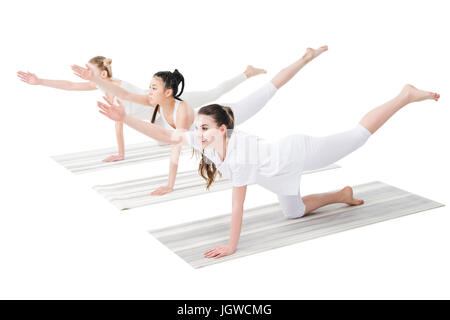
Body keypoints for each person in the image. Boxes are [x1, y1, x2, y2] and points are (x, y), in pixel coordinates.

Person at [98, 46, 438, 260]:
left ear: (220, 130)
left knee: (357, 136)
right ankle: (342, 194)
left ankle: (404, 96)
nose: (196, 134)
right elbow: (165, 133)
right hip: (277, 176)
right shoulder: (204, 139)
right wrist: (125, 117)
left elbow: (237, 205)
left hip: (297, 153)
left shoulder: (238, 154)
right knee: (295, 213)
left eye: (203, 128)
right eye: (196, 128)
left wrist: (232, 246)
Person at [74, 47, 325, 196]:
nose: (148, 92)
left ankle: (305, 59)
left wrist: (170, 184)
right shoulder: (155, 102)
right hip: (219, 131)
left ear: (168, 92)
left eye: (153, 88)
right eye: (149, 88)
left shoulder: (181, 111)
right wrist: (96, 81)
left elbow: (175, 146)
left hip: (232, 114)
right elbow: (126, 94)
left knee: (270, 89)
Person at [17, 57, 265, 163]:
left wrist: (121, 152)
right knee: (177, 138)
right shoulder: (104, 88)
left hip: (170, 103)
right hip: (160, 118)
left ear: (103, 75)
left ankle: (247, 73)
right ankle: (222, 140)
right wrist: (40, 81)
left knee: (213, 93)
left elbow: (120, 121)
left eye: (91, 74)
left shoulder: (116, 88)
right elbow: (71, 85)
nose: (87, 79)